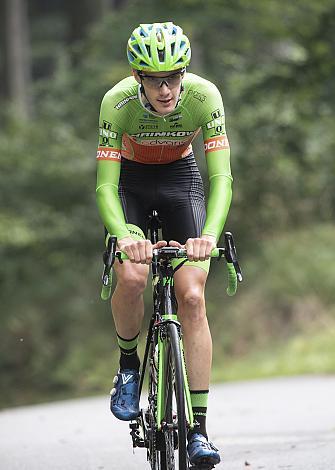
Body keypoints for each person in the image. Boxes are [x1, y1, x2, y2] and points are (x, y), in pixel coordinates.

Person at [96, 21, 232, 467]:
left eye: (173, 77)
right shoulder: (116, 104)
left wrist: (208, 236)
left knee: (191, 296)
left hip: (180, 179)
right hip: (129, 185)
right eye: (155, 80)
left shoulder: (203, 97)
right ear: (138, 78)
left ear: (184, 73)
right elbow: (104, 188)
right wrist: (122, 235)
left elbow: (220, 179)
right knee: (133, 276)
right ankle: (129, 367)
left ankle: (199, 430)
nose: (166, 89)